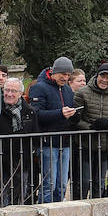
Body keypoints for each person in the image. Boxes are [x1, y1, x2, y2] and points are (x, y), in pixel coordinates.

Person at [28, 56, 79, 202]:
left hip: (65, 142)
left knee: (62, 185)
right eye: (63, 74)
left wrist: (75, 115)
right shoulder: (39, 87)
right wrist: (60, 113)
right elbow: (36, 114)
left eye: (68, 75)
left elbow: (69, 115)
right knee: (48, 184)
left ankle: (59, 215)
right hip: (47, 144)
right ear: (54, 71)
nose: (65, 77)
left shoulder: (68, 90)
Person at [73, 62, 108, 199]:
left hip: (105, 146)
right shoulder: (82, 93)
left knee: (99, 182)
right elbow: (75, 119)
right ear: (97, 76)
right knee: (83, 182)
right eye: (102, 76)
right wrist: (90, 127)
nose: (105, 80)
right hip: (85, 145)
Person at [0, 77, 34, 206]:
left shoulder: (29, 111)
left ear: (21, 94)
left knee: (19, 196)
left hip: (21, 161)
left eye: (13, 91)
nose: (9, 94)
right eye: (7, 90)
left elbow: (35, 134)